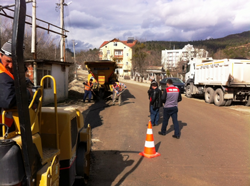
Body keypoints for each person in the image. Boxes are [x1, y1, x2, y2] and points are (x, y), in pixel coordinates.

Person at [0, 39, 33, 133]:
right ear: (0, 55)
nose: (11, 66)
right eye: (8, 61)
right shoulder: (2, 74)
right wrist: (28, 93)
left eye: (14, 62)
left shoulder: (10, 70)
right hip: (3, 126)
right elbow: (8, 100)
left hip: (8, 125)